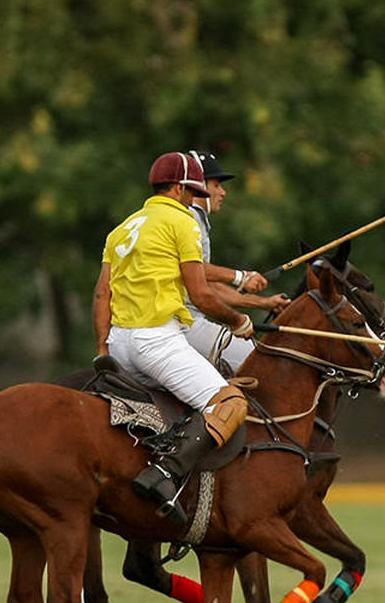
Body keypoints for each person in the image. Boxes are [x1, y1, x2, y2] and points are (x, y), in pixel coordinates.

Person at [92, 152, 255, 526]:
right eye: (194, 190)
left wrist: (102, 349)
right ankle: (163, 474)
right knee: (230, 402)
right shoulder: (183, 223)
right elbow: (200, 295)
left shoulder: (122, 228)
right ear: (180, 189)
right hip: (157, 343)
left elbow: (103, 294)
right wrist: (239, 320)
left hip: (119, 345)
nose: (195, 199)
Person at [181, 150, 291, 374]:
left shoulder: (195, 219)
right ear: (199, 185)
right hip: (183, 322)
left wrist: (264, 303)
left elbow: (208, 285)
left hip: (183, 322)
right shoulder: (190, 218)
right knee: (261, 366)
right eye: (217, 185)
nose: (223, 192)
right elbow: (193, 268)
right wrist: (241, 277)